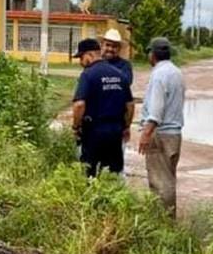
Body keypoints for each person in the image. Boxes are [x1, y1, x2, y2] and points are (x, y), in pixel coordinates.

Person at [137, 37, 186, 216]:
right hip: (174, 135)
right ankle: (167, 220)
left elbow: (156, 111)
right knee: (168, 178)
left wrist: (145, 134)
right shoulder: (176, 72)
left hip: (161, 135)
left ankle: (164, 222)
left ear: (153, 54)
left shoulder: (159, 75)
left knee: (160, 183)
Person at [72, 38, 134, 177]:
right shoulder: (119, 74)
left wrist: (76, 127)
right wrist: (126, 126)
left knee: (91, 173)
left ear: (89, 55)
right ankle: (111, 197)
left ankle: (94, 198)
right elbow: (130, 105)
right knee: (112, 173)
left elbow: (79, 104)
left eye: (81, 57)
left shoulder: (88, 74)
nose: (81, 62)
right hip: (115, 132)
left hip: (94, 132)